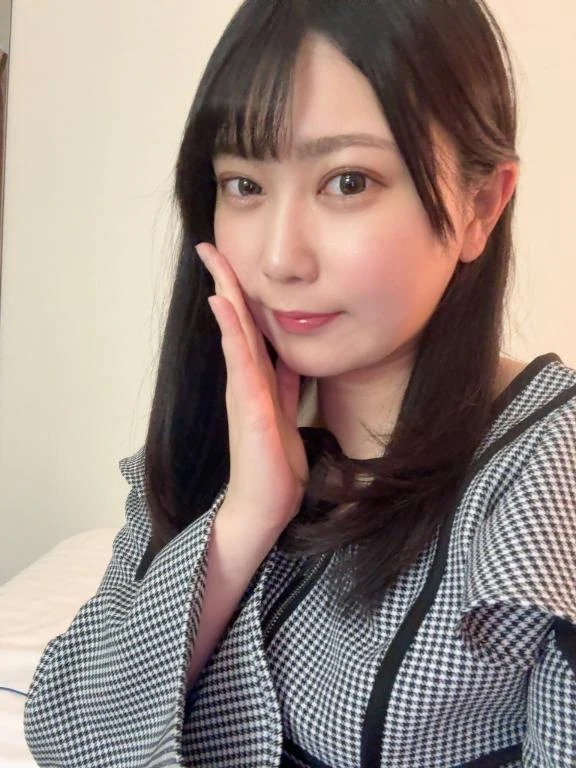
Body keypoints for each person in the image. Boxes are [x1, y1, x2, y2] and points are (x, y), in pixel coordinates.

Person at [24, 0, 576, 766]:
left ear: (479, 205)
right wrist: (247, 517)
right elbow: (69, 738)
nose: (280, 258)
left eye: (348, 181)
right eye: (244, 185)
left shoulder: (546, 470)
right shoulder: (216, 433)